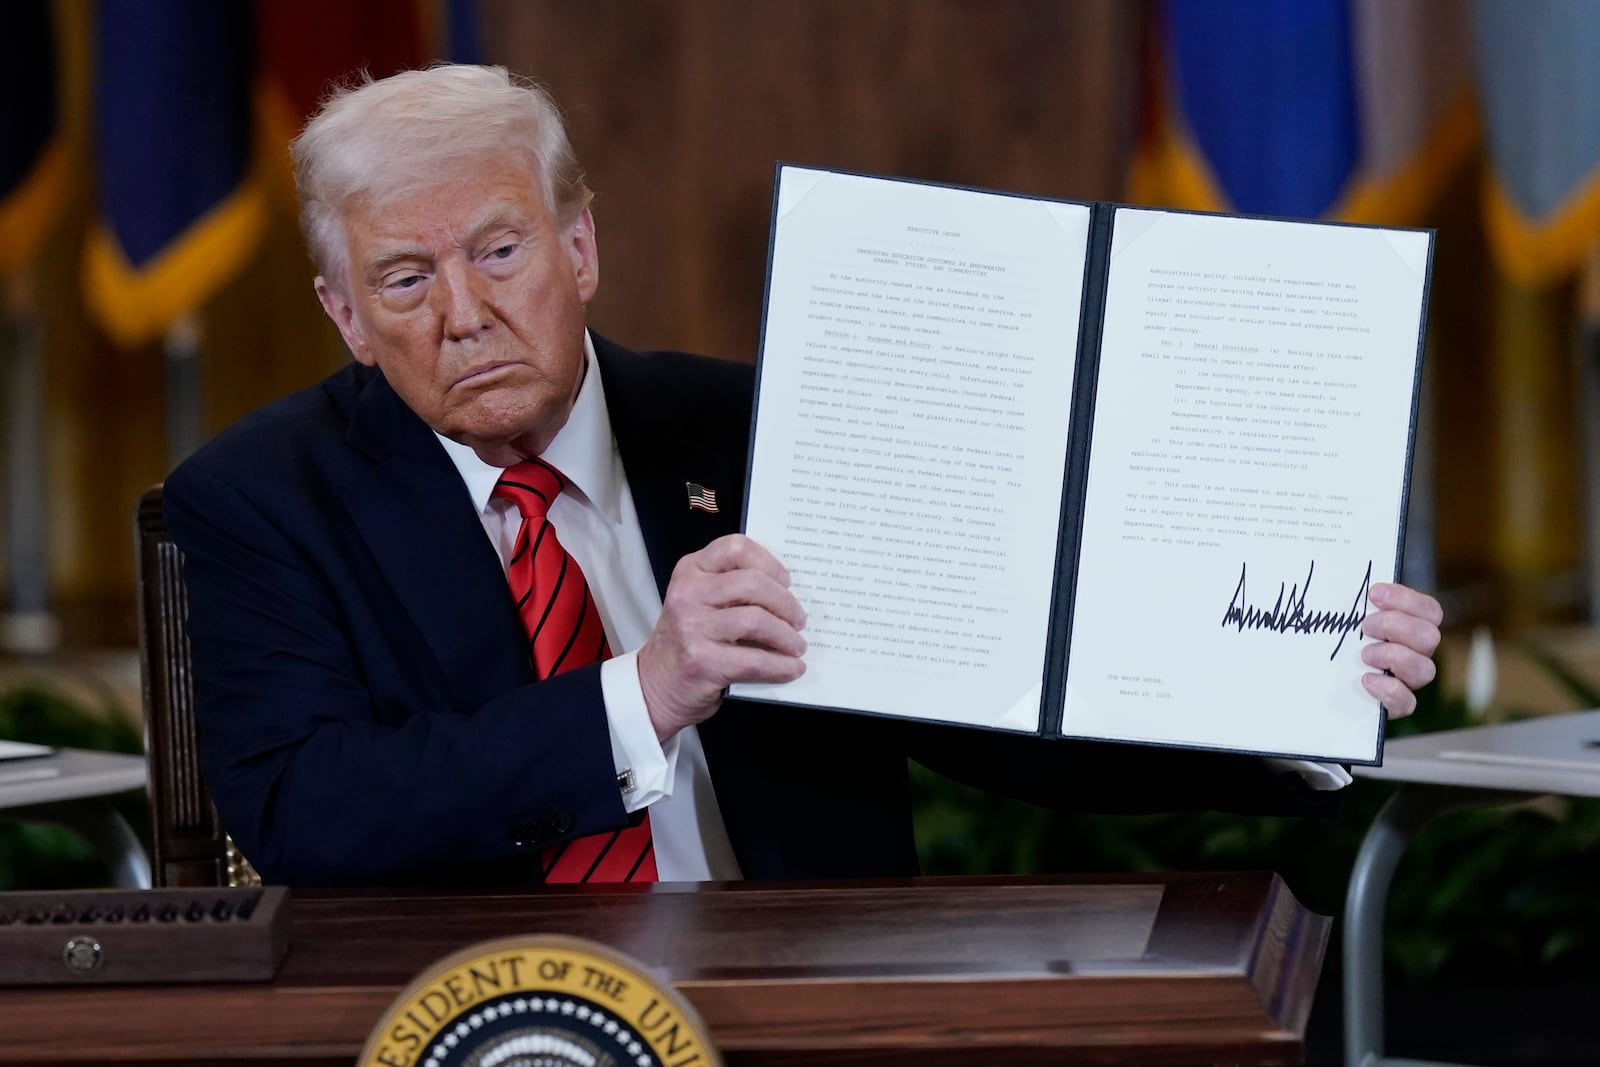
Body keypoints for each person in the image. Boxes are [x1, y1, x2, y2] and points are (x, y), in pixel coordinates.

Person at [163, 64, 1445, 888]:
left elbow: (998, 709)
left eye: (500, 252)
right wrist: (644, 694)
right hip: (481, 1017)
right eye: (404, 278)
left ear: (580, 246)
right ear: (343, 312)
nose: (462, 312)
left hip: (812, 1006)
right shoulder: (263, 498)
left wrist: (1290, 697)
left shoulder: (763, 433)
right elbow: (307, 810)